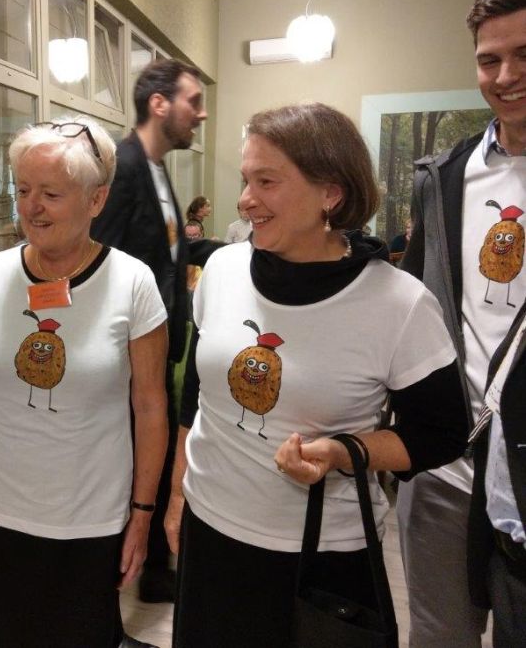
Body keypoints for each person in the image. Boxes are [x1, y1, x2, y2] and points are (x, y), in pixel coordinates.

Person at [164, 103, 469, 647]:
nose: (245, 199)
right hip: (209, 533)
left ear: (330, 193)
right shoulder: (223, 269)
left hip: (319, 559)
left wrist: (343, 452)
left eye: (266, 181)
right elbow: (198, 393)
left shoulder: (398, 303)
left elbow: (442, 433)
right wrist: (176, 496)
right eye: (245, 180)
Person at [0, 117, 168, 647]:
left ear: (97, 200)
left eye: (51, 194)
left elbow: (150, 406)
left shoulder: (132, 282)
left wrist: (142, 515)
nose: (32, 207)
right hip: (0, 510)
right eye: (23, 190)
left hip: (90, 519)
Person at [399, 0, 526, 646]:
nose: (505, 77)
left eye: (524, 55)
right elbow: (415, 301)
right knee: (438, 634)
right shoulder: (443, 178)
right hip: (448, 455)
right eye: (489, 60)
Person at [91, 58, 219, 603]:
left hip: (157, 345)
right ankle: (112, 583)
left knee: (159, 452)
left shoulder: (158, 169)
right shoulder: (121, 167)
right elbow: (98, 257)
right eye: (194, 101)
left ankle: (156, 572)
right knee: (129, 463)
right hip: (124, 353)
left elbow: (167, 251)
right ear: (159, 104)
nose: (201, 114)